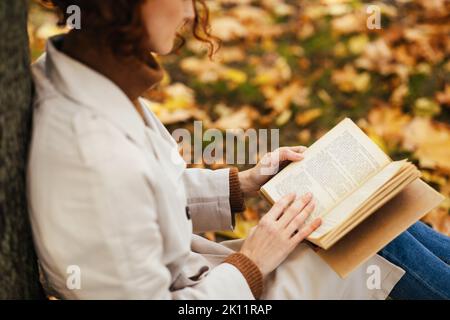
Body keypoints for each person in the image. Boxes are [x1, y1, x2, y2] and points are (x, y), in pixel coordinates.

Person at [27, 0, 450, 299]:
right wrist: (252, 261)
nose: (191, 12)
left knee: (370, 208)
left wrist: (242, 183)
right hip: (223, 290)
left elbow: (143, 193)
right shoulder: (87, 152)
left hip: (210, 277)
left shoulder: (85, 73)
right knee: (369, 237)